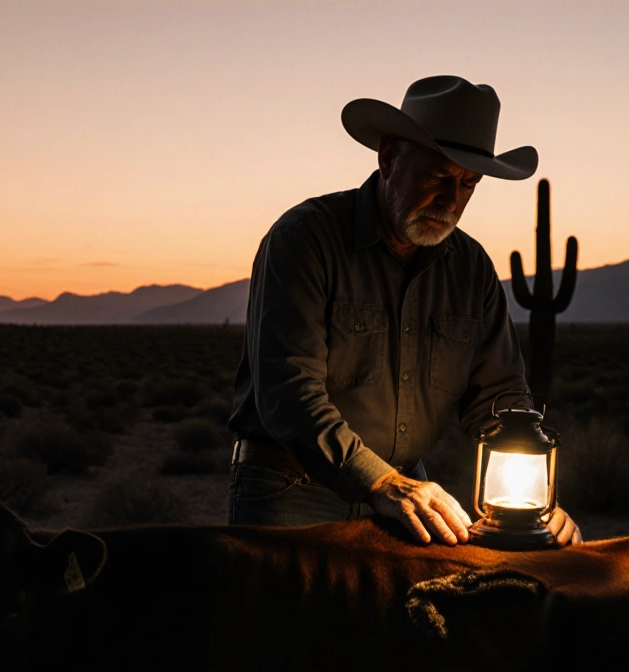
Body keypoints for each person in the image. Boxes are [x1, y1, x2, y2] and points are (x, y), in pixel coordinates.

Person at [227, 75, 581, 547]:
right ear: (389, 157)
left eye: (468, 184)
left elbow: (500, 398)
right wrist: (381, 484)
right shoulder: (305, 240)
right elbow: (288, 393)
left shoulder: (471, 269)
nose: (452, 201)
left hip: (405, 496)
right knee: (287, 621)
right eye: (437, 177)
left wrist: (539, 497)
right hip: (292, 492)